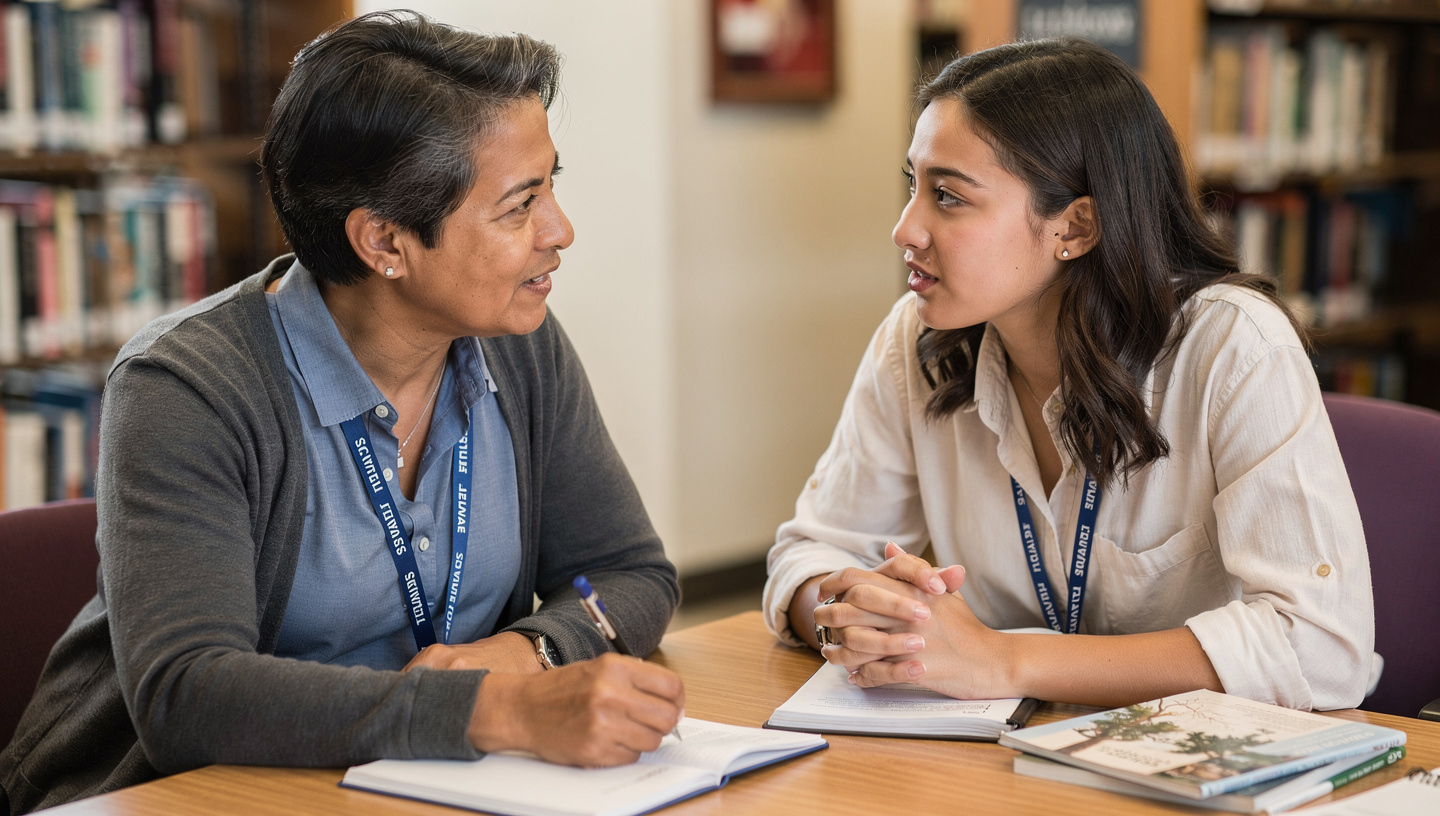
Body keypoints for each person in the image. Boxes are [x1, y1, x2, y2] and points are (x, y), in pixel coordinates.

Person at [0, 12, 683, 814]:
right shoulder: (187, 387)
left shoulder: (515, 343)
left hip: (418, 786)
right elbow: (186, 696)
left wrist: (527, 652)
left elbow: (630, 575)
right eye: (519, 206)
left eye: (552, 186)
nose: (560, 232)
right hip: (184, 795)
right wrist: (493, 709)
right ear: (384, 242)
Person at [763, 38, 1373, 712]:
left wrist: (1006, 661)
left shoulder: (1234, 348)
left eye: (949, 197)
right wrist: (850, 613)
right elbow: (809, 554)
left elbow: (1322, 650)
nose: (905, 228)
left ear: (1076, 227)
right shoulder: (918, 339)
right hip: (1011, 760)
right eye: (913, 186)